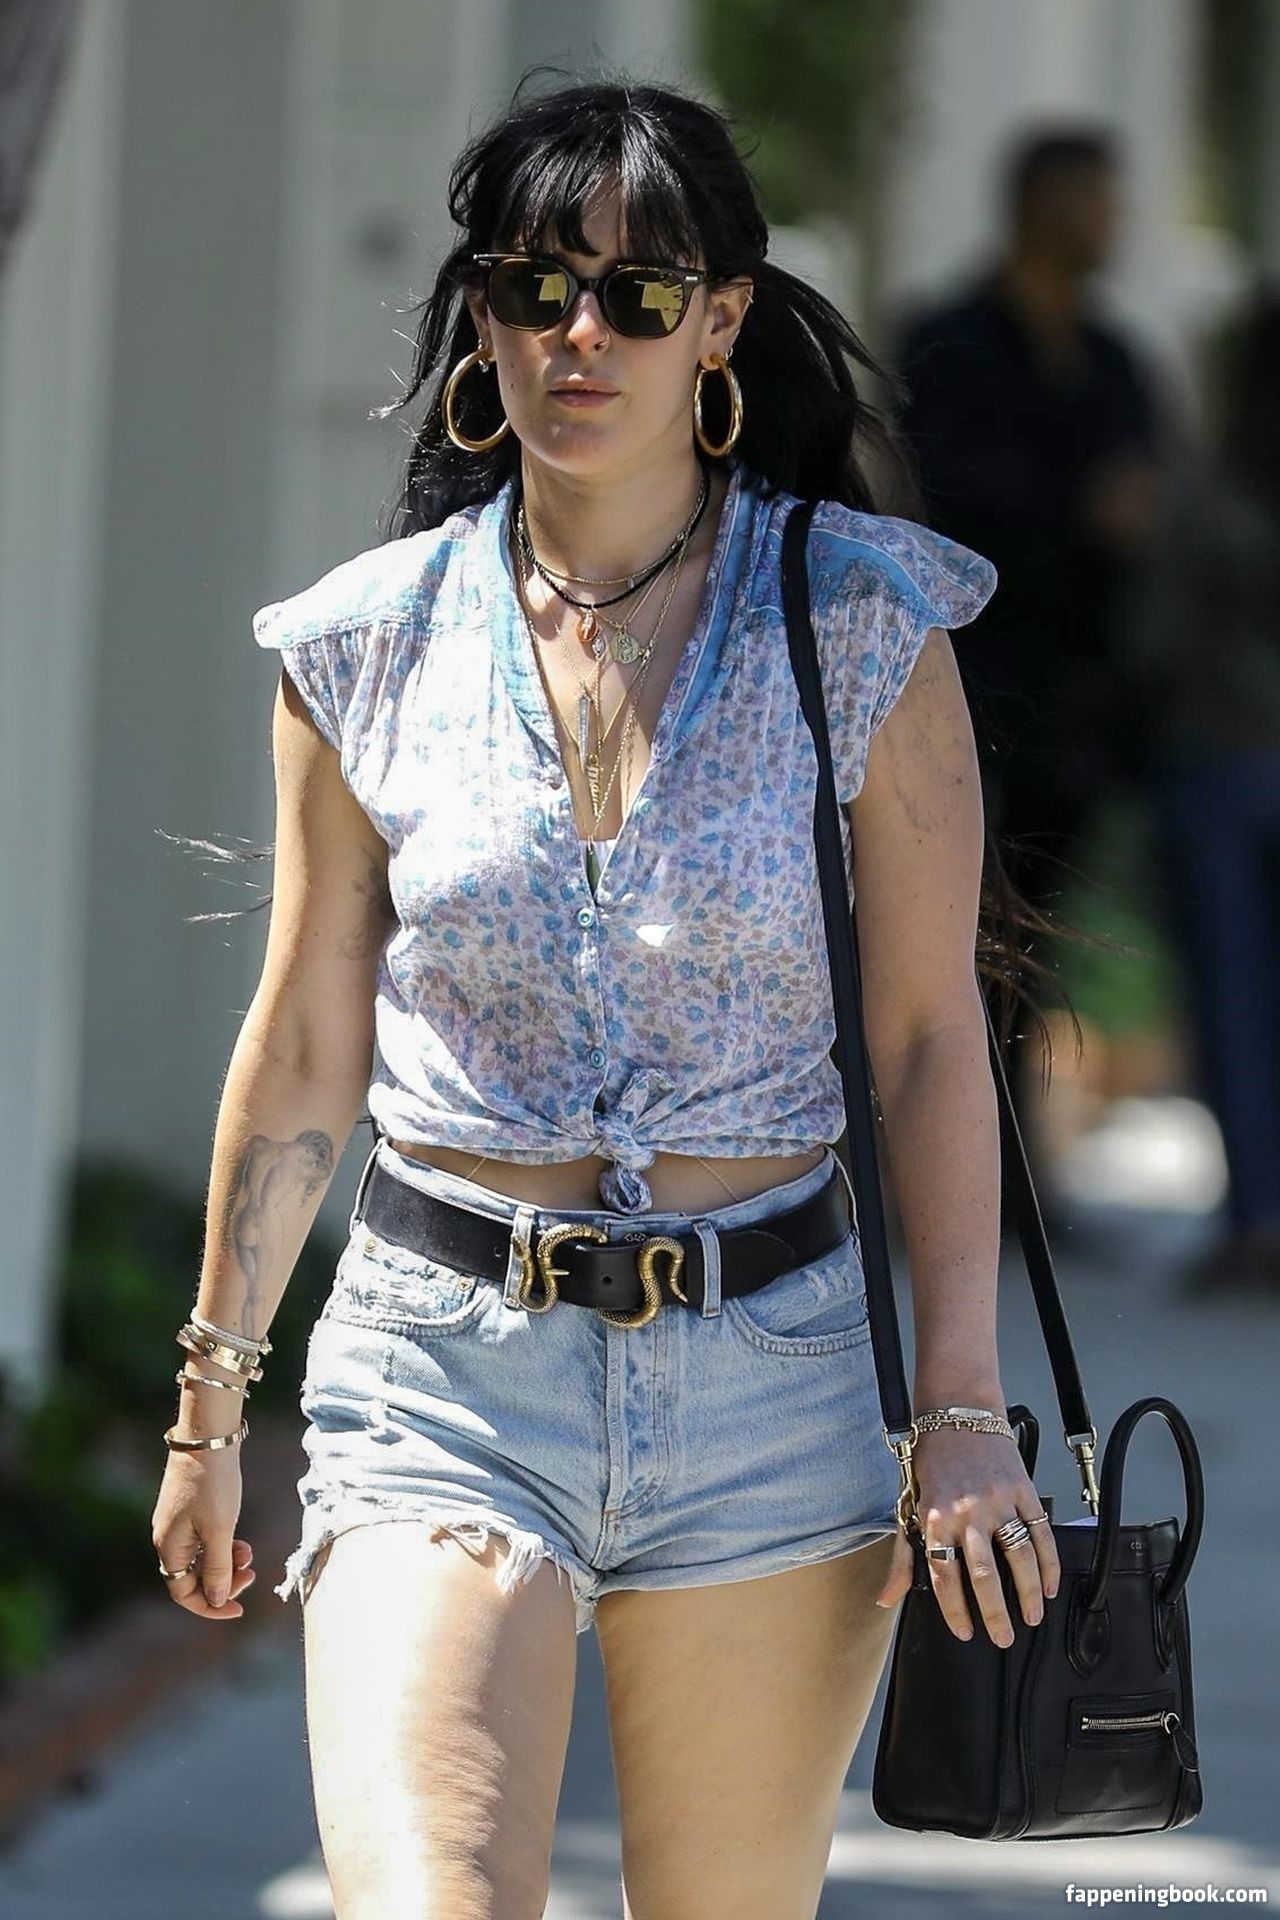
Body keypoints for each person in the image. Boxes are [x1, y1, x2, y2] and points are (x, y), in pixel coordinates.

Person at [150, 74, 1062, 1919]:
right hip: (440, 1371)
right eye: (535, 287)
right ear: (482, 321)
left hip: (771, 1386)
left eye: (639, 294)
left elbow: (924, 1039)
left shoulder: (860, 621)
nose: (583, 334)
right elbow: (308, 1035)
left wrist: (962, 1399)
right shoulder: (366, 642)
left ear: (719, 322)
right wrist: (210, 1395)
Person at [890, 126, 1169, 1200]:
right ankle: (956, 1175)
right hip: (962, 682)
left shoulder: (1113, 356)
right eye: (1091, 200)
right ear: (1039, 204)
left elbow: (1155, 495)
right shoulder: (948, 340)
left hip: (1077, 702)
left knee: (1031, 943)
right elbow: (934, 499)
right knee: (949, 940)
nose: (1109, 224)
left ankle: (1008, 1173)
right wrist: (1077, 508)